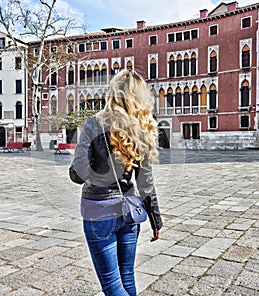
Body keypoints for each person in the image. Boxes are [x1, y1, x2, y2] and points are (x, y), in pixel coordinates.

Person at [69, 69, 163, 296]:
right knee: (127, 279)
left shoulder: (94, 123)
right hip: (130, 212)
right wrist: (156, 220)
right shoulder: (142, 128)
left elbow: (78, 174)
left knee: (112, 286)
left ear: (113, 93)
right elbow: (145, 184)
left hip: (98, 212)